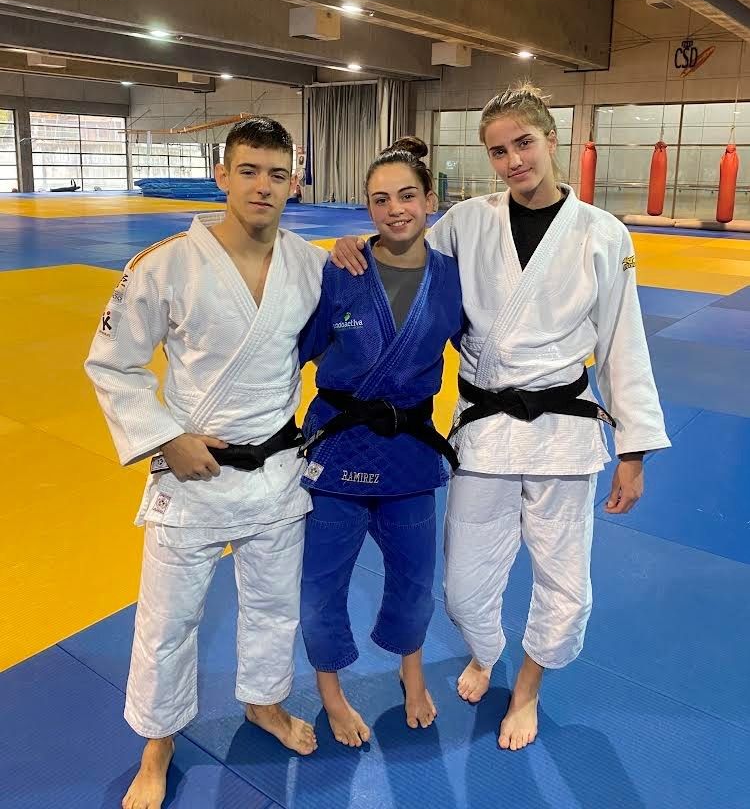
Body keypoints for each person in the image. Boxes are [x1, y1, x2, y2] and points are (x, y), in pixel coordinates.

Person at [331, 86, 670, 752]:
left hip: (565, 432)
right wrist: (356, 247)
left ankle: (528, 690)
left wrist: (634, 448)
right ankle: (485, 651)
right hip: (484, 427)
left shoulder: (604, 234)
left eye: (524, 143)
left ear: (552, 141)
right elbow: (405, 254)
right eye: (499, 150)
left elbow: (624, 342)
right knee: (462, 587)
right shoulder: (467, 222)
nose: (514, 160)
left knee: (563, 583)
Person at [85, 117, 327, 809]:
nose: (263, 186)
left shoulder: (309, 264)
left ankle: (264, 704)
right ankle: (158, 745)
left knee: (274, 608)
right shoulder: (162, 265)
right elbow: (114, 363)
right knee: (168, 620)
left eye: (277, 174)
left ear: (293, 182)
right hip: (194, 473)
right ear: (221, 175)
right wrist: (166, 437)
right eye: (249, 171)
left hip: (278, 470)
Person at [297, 137, 463, 747]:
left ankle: (411, 672)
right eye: (380, 199)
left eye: (407, 195)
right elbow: (293, 349)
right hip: (336, 449)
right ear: (366, 208)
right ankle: (331, 692)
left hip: (410, 450)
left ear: (429, 199)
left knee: (416, 576)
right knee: (320, 581)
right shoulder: (341, 270)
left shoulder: (452, 279)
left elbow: (489, 353)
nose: (395, 209)